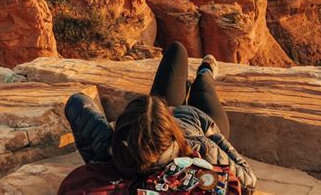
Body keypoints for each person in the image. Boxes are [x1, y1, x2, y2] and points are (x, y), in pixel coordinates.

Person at [64, 42, 257, 194]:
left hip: (161, 118)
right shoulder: (198, 147)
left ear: (123, 130)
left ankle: (188, 85)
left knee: (176, 50)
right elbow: (248, 181)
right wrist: (210, 139)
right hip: (197, 120)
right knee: (201, 86)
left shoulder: (109, 152)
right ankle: (205, 71)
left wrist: (104, 149)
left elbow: (76, 102)